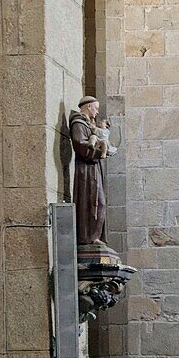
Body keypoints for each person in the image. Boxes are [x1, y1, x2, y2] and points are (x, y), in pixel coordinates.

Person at [70, 96, 108, 246]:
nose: (97, 112)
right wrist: (98, 151)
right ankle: (89, 238)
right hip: (86, 171)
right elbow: (80, 145)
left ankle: (94, 236)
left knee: (99, 202)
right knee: (95, 202)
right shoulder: (78, 123)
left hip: (93, 168)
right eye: (96, 108)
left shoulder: (89, 125)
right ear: (88, 107)